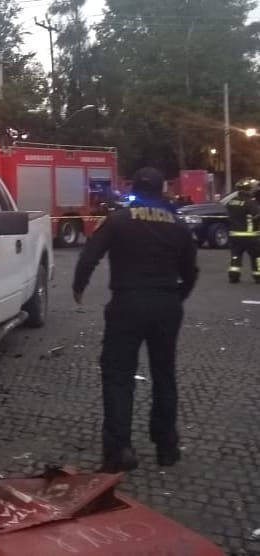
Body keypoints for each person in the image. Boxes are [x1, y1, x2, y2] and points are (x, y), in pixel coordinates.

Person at [72, 167, 198, 473]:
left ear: (136, 191)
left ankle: (119, 450)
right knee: (164, 375)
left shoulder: (118, 220)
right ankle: (166, 446)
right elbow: (191, 271)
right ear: (162, 190)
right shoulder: (178, 225)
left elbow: (90, 253)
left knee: (118, 376)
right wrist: (176, 297)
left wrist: (79, 285)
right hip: (166, 303)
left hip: (127, 303)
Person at [226, 177, 260, 283]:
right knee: (257, 257)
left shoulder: (231, 202)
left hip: (234, 236)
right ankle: (258, 276)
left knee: (235, 256)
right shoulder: (250, 203)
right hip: (250, 236)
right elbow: (256, 216)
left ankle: (233, 276)